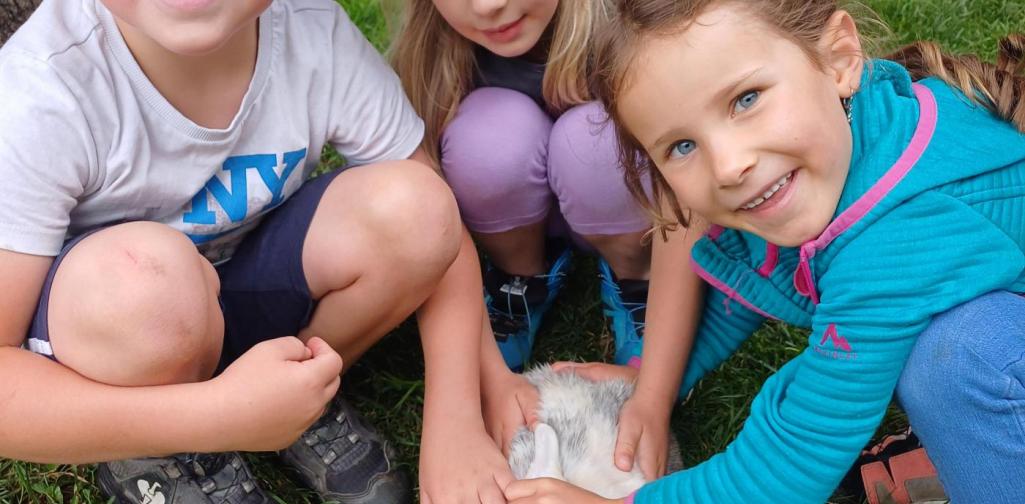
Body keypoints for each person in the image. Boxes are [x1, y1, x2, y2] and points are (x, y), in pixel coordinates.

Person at [504, 0, 1025, 503]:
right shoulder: (850, 140)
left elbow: (793, 459)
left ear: (839, 57)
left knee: (960, 360)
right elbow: (759, 276)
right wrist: (651, 378)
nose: (728, 165)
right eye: (682, 146)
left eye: (746, 99)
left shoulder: (897, 240)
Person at [0, 0, 515, 502]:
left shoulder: (311, 28)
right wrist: (214, 416)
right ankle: (154, 444)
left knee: (416, 207)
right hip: (122, 328)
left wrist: (459, 418)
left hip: (249, 286)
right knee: (141, 279)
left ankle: (300, 383)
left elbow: (437, 222)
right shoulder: (43, 85)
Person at [389, 0, 708, 489]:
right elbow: (424, 212)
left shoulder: (635, 24)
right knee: (486, 142)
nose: (489, 5)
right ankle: (520, 277)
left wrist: (655, 392)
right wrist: (482, 380)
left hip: (617, 197)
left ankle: (638, 281)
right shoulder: (436, 55)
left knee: (591, 141)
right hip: (518, 204)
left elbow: (688, 199)